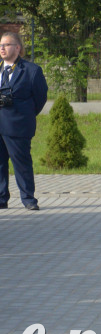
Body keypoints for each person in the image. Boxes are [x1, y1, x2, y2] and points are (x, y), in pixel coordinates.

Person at [0, 31, 48, 211]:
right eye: (0, 45)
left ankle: (28, 198)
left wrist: (25, 114)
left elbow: (40, 97)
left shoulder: (31, 70)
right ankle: (1, 198)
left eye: (6, 45)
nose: (2, 48)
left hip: (17, 125)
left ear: (17, 48)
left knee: (21, 163)